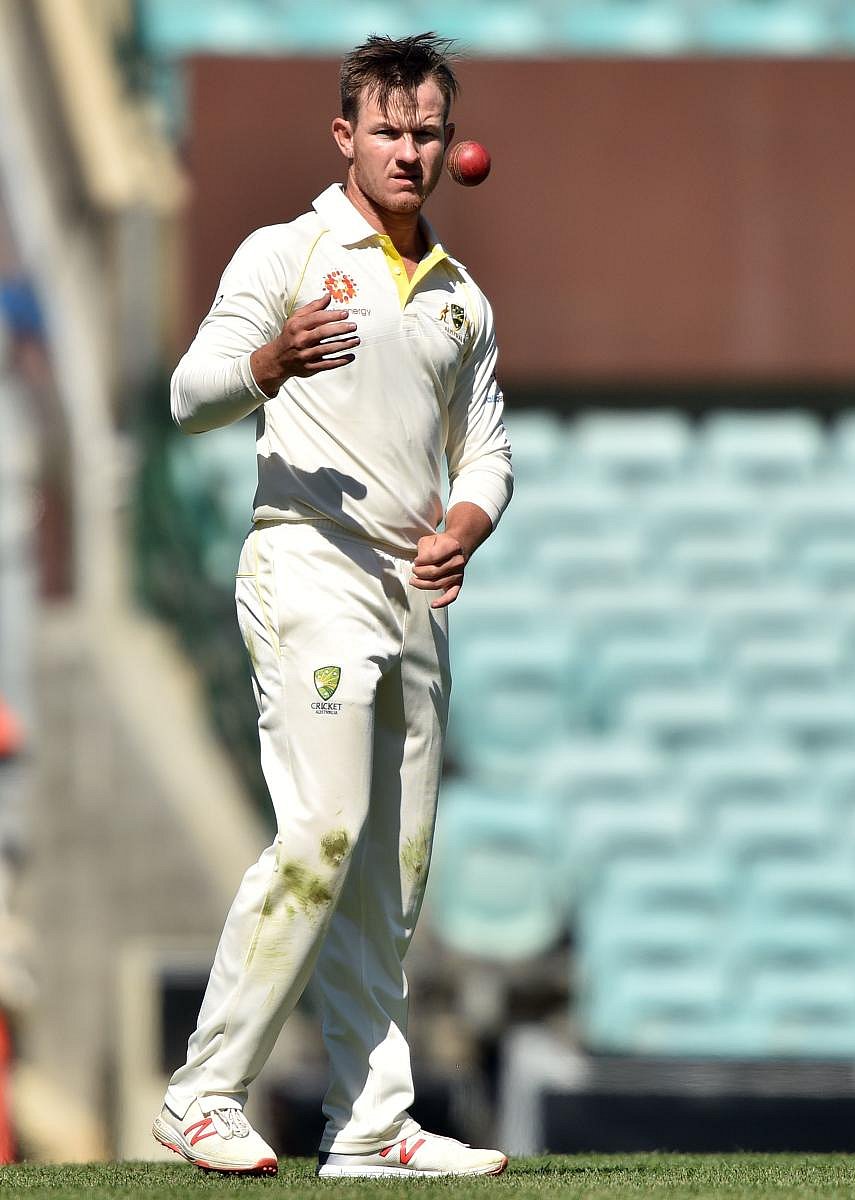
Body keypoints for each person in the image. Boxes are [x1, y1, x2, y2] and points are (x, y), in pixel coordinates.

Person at [152, 33, 513, 1180]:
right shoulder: (290, 251)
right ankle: (203, 1094)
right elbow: (186, 395)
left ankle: (367, 1126)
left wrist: (465, 523)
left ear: (450, 144)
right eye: (388, 131)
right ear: (343, 136)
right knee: (321, 834)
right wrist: (268, 361)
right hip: (307, 562)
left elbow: (488, 452)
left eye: (426, 133)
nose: (409, 152)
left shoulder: (461, 301)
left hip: (413, 590)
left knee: (388, 874)